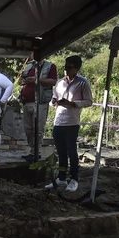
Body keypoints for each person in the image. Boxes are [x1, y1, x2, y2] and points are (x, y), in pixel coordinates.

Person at [45, 55, 93, 193]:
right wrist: (54, 102)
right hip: (59, 120)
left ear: (76, 69)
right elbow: (53, 98)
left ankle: (74, 179)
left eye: (69, 67)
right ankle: (61, 177)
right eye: (65, 67)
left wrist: (72, 103)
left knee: (71, 151)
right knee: (60, 151)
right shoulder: (60, 82)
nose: (66, 69)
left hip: (72, 122)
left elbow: (89, 101)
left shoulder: (83, 82)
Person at [19, 58, 58, 162]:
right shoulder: (29, 65)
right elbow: (20, 80)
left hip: (40, 102)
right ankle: (32, 151)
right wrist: (24, 80)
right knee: (28, 129)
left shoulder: (49, 66)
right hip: (27, 102)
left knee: (38, 129)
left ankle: (36, 152)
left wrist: (36, 80)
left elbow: (53, 81)